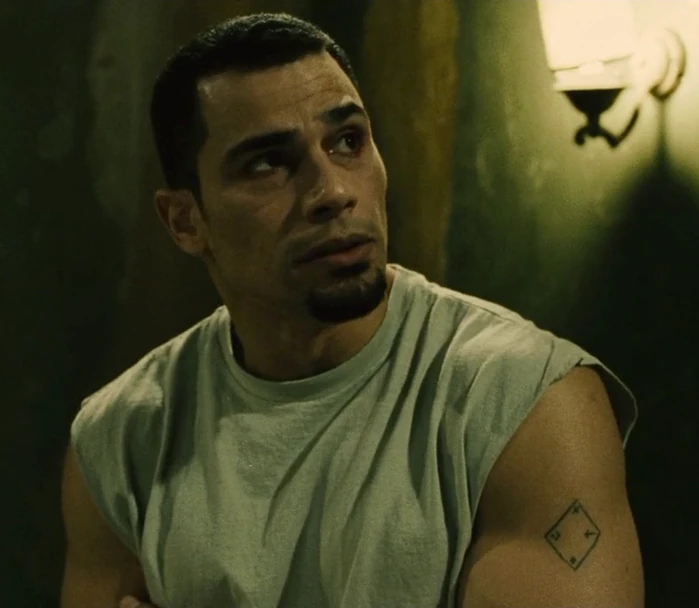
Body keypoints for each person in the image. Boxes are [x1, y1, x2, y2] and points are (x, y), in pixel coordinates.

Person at [60, 12, 644, 608]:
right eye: (267, 163)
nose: (334, 191)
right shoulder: (124, 437)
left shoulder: (524, 400)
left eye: (347, 142)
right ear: (186, 220)